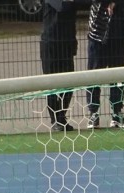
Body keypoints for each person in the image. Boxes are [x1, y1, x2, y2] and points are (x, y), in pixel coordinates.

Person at [86, 0, 124, 129]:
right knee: (94, 76)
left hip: (120, 33)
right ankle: (93, 113)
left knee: (118, 77)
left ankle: (117, 113)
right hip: (98, 33)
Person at [40, 0, 78, 131]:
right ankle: (55, 119)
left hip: (66, 44)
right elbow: (62, 7)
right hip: (50, 44)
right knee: (51, 84)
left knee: (69, 83)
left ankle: (61, 116)